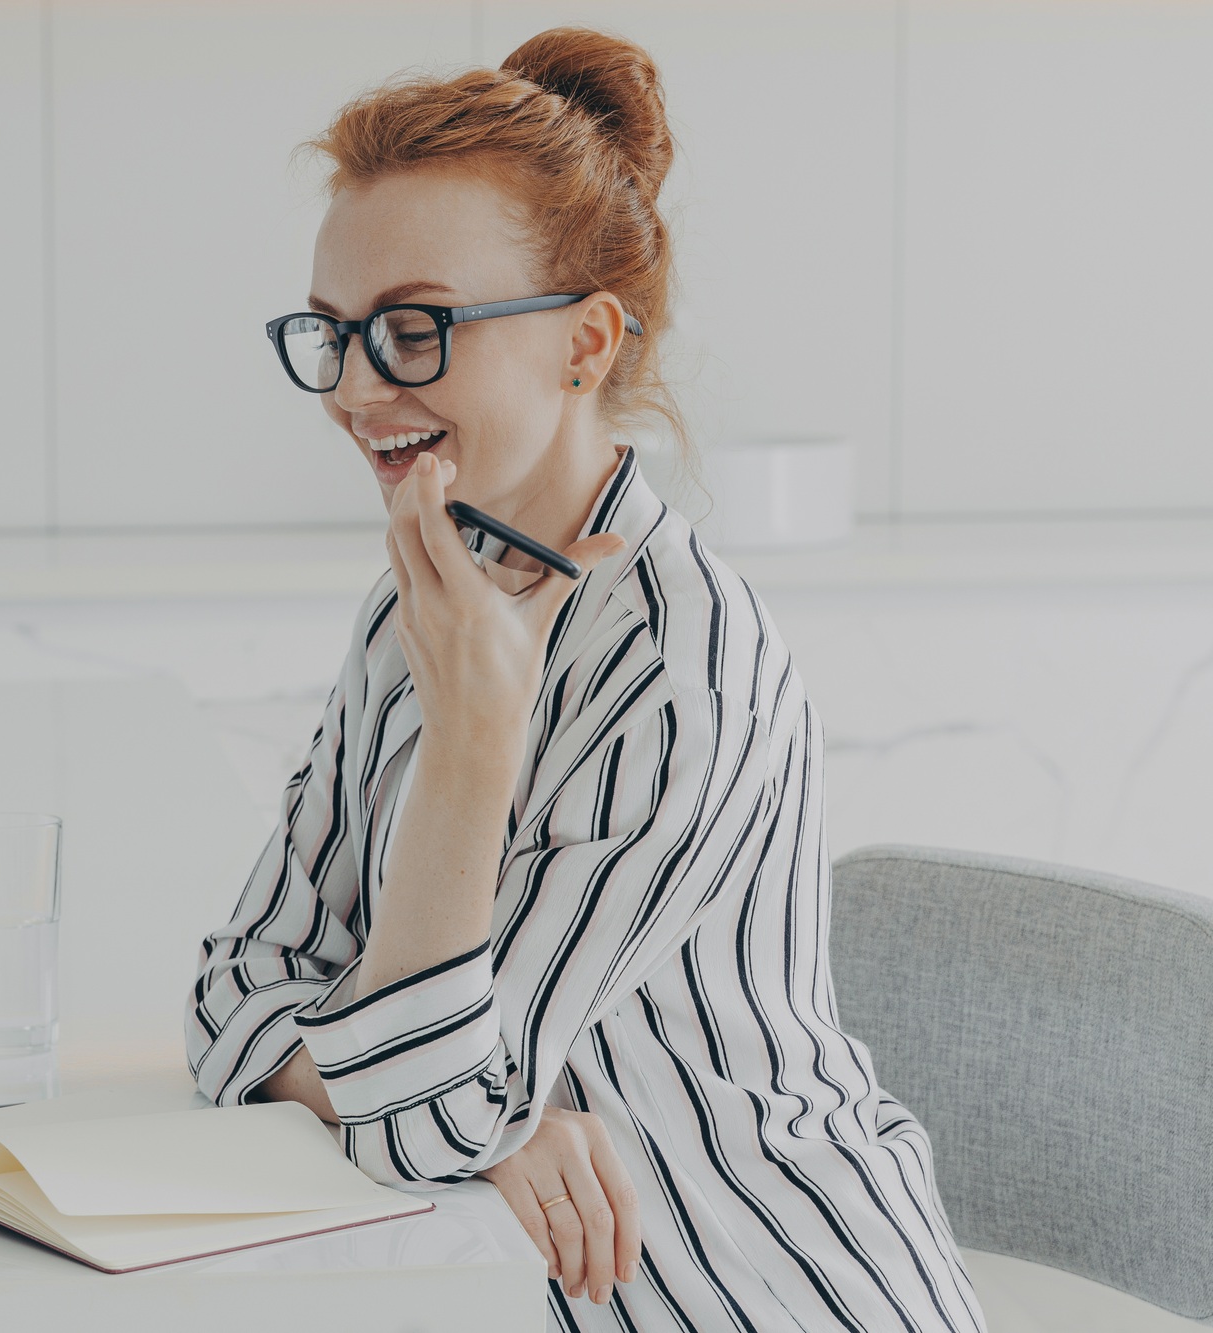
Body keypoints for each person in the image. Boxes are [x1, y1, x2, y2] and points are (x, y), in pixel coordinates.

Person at [184, 28, 983, 1331]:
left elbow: (414, 1110)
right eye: (331, 335)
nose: (355, 388)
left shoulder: (680, 676)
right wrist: (471, 1115)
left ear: (585, 343)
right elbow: (234, 989)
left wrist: (478, 738)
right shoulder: (418, 598)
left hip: (760, 1295)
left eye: (415, 327)